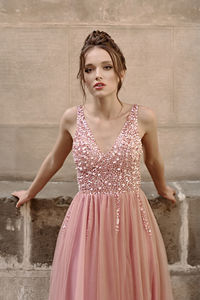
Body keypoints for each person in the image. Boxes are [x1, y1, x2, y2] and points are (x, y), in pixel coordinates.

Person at [12, 30, 176, 300]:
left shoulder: (144, 118)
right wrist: (31, 192)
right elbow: (55, 158)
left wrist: (162, 188)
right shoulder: (72, 118)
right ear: (83, 78)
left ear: (120, 72)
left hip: (132, 220)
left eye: (106, 67)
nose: (97, 75)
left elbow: (153, 159)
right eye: (89, 69)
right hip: (87, 221)